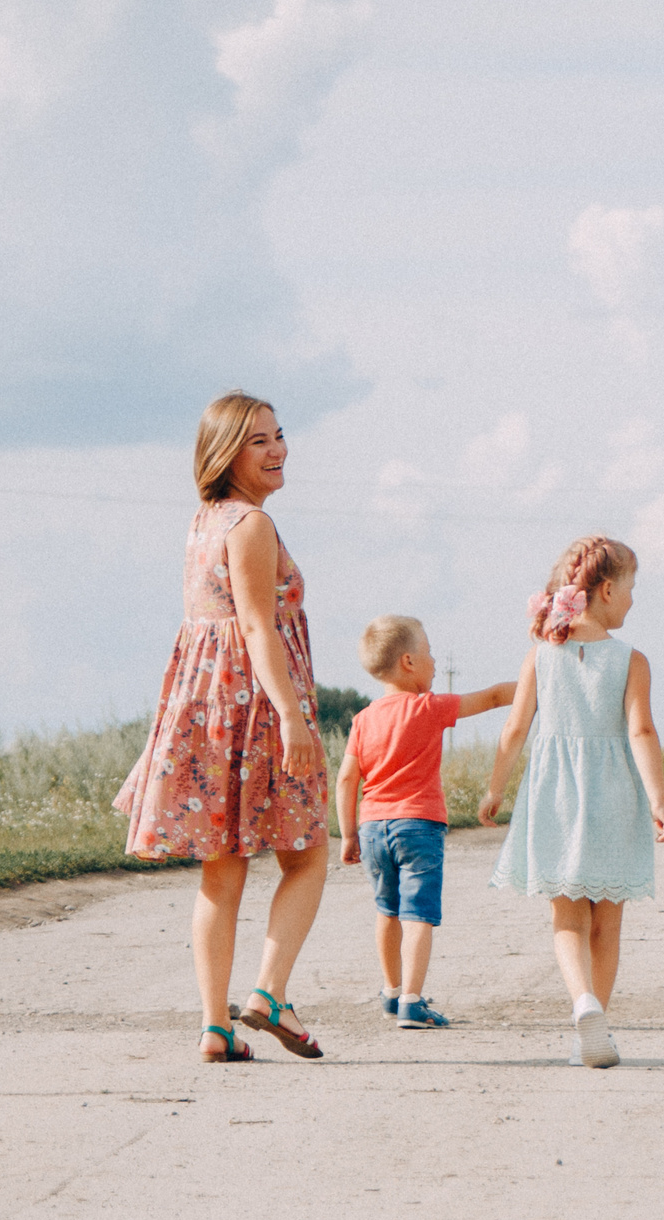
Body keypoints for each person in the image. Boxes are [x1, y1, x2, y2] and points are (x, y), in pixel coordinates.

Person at [113, 391, 331, 1063]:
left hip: (205, 704)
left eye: (278, 435)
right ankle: (269, 993)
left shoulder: (204, 521)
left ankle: (216, 1026)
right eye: (257, 441)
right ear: (225, 455)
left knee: (222, 868)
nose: (277, 450)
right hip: (255, 702)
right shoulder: (252, 525)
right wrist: (291, 715)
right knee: (307, 852)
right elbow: (257, 627)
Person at [480, 537, 664, 1068]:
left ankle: (582, 1002)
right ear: (607, 590)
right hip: (614, 798)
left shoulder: (541, 656)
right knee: (607, 925)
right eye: (631, 587)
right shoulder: (632, 660)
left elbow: (515, 728)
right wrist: (658, 800)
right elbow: (641, 731)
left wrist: (495, 789)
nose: (633, 599)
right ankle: (597, 1027)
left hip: (555, 799)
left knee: (567, 919)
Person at [335, 615, 515, 1029]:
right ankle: (412, 1003)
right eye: (430, 652)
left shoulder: (364, 719)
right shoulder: (429, 707)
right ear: (409, 662)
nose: (435, 661)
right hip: (418, 824)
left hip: (373, 827)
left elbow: (346, 778)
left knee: (387, 910)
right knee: (418, 914)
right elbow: (491, 698)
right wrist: (535, 684)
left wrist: (347, 834)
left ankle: (391, 991)